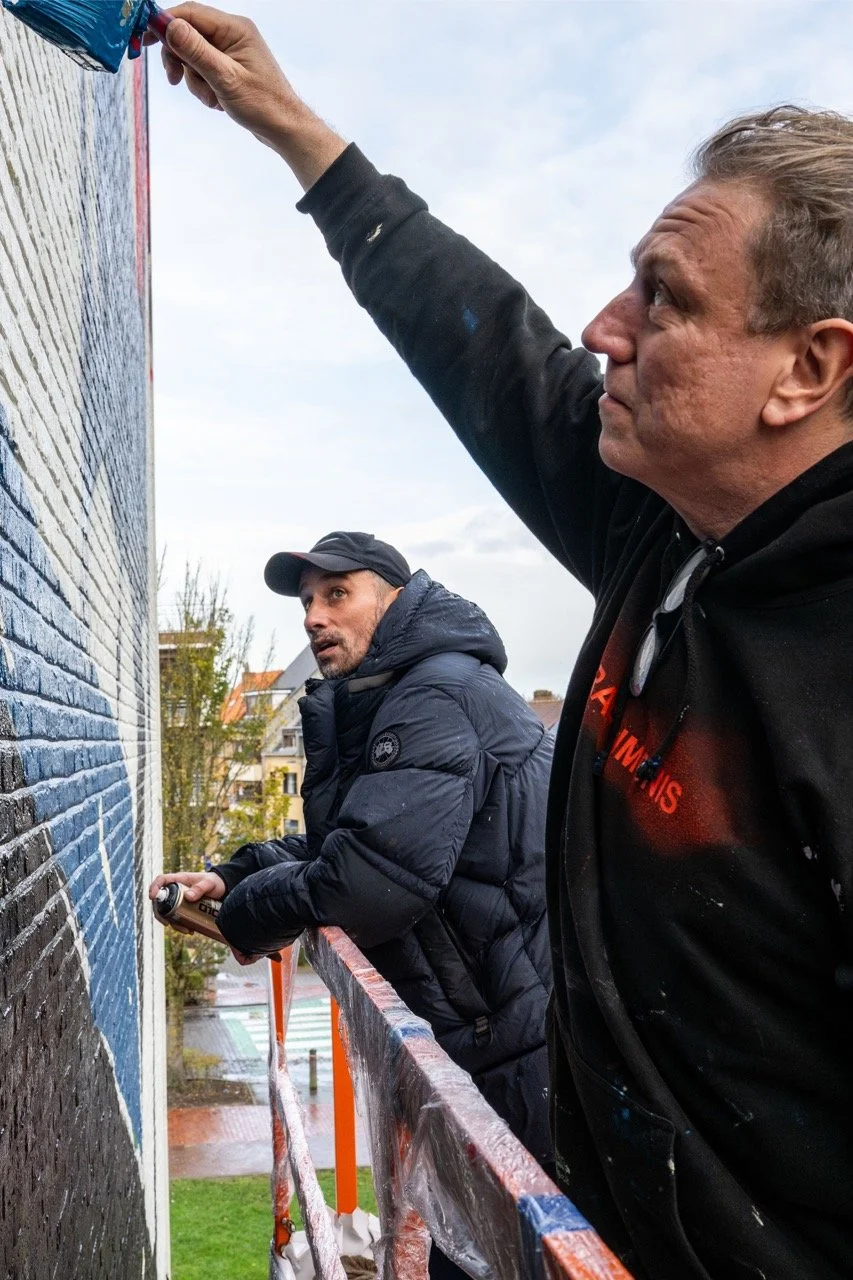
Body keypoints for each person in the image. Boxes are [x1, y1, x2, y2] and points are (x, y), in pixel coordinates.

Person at [148, 9, 853, 1279]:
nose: (603, 327)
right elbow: (489, 350)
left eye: (663, 297)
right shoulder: (668, 533)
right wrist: (290, 127)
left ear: (807, 367)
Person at [151, 530, 555, 1278]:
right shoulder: (394, 696)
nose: (313, 616)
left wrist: (246, 918)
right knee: (464, 1249)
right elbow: (349, 839)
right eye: (307, 600)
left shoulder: (435, 694)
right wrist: (235, 877)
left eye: (337, 593)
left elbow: (369, 885)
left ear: (394, 598)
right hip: (486, 1032)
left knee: (498, 1258)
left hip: (517, 1044)